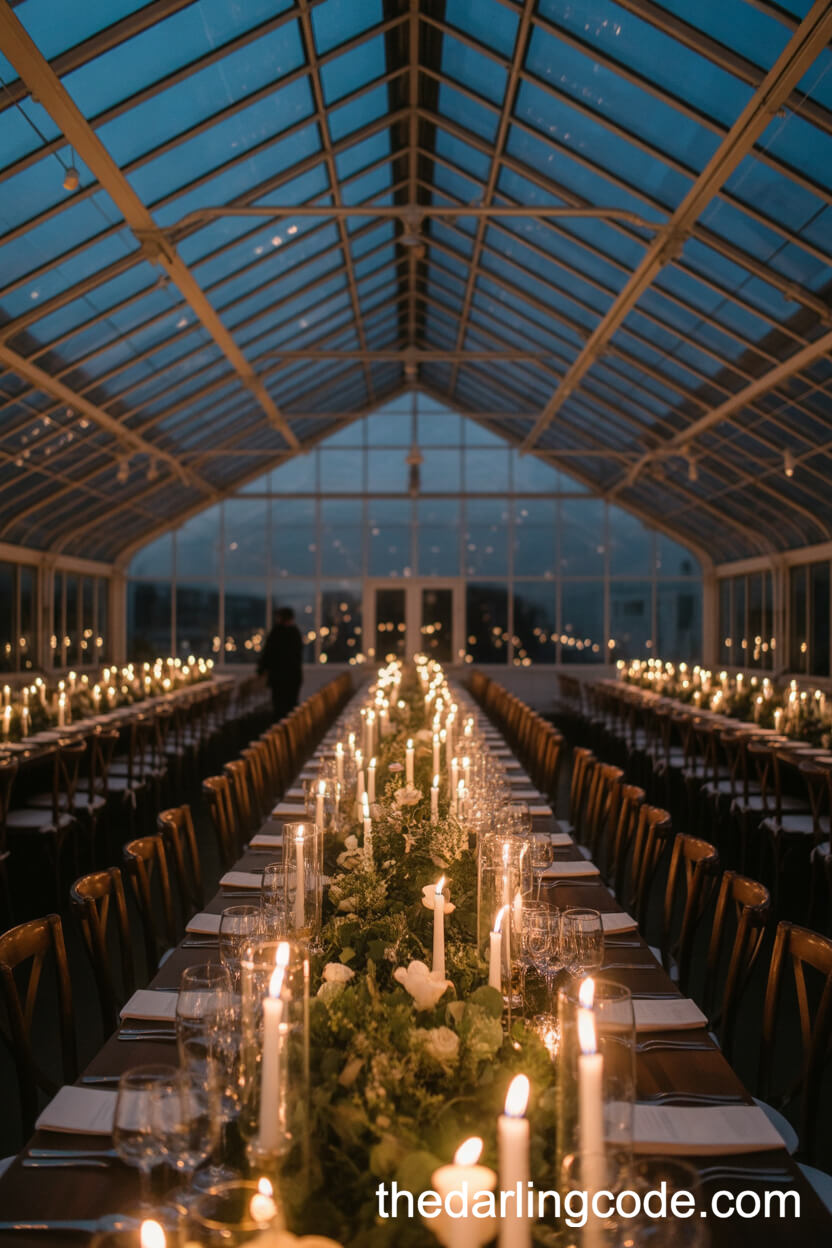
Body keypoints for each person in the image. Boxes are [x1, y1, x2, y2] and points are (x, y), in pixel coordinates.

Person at [258, 607, 303, 721]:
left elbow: (268, 654)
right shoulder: (294, 632)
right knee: (290, 709)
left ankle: (281, 729)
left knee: (280, 709)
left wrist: (261, 669)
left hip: (279, 678)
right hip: (292, 678)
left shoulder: (277, 632)